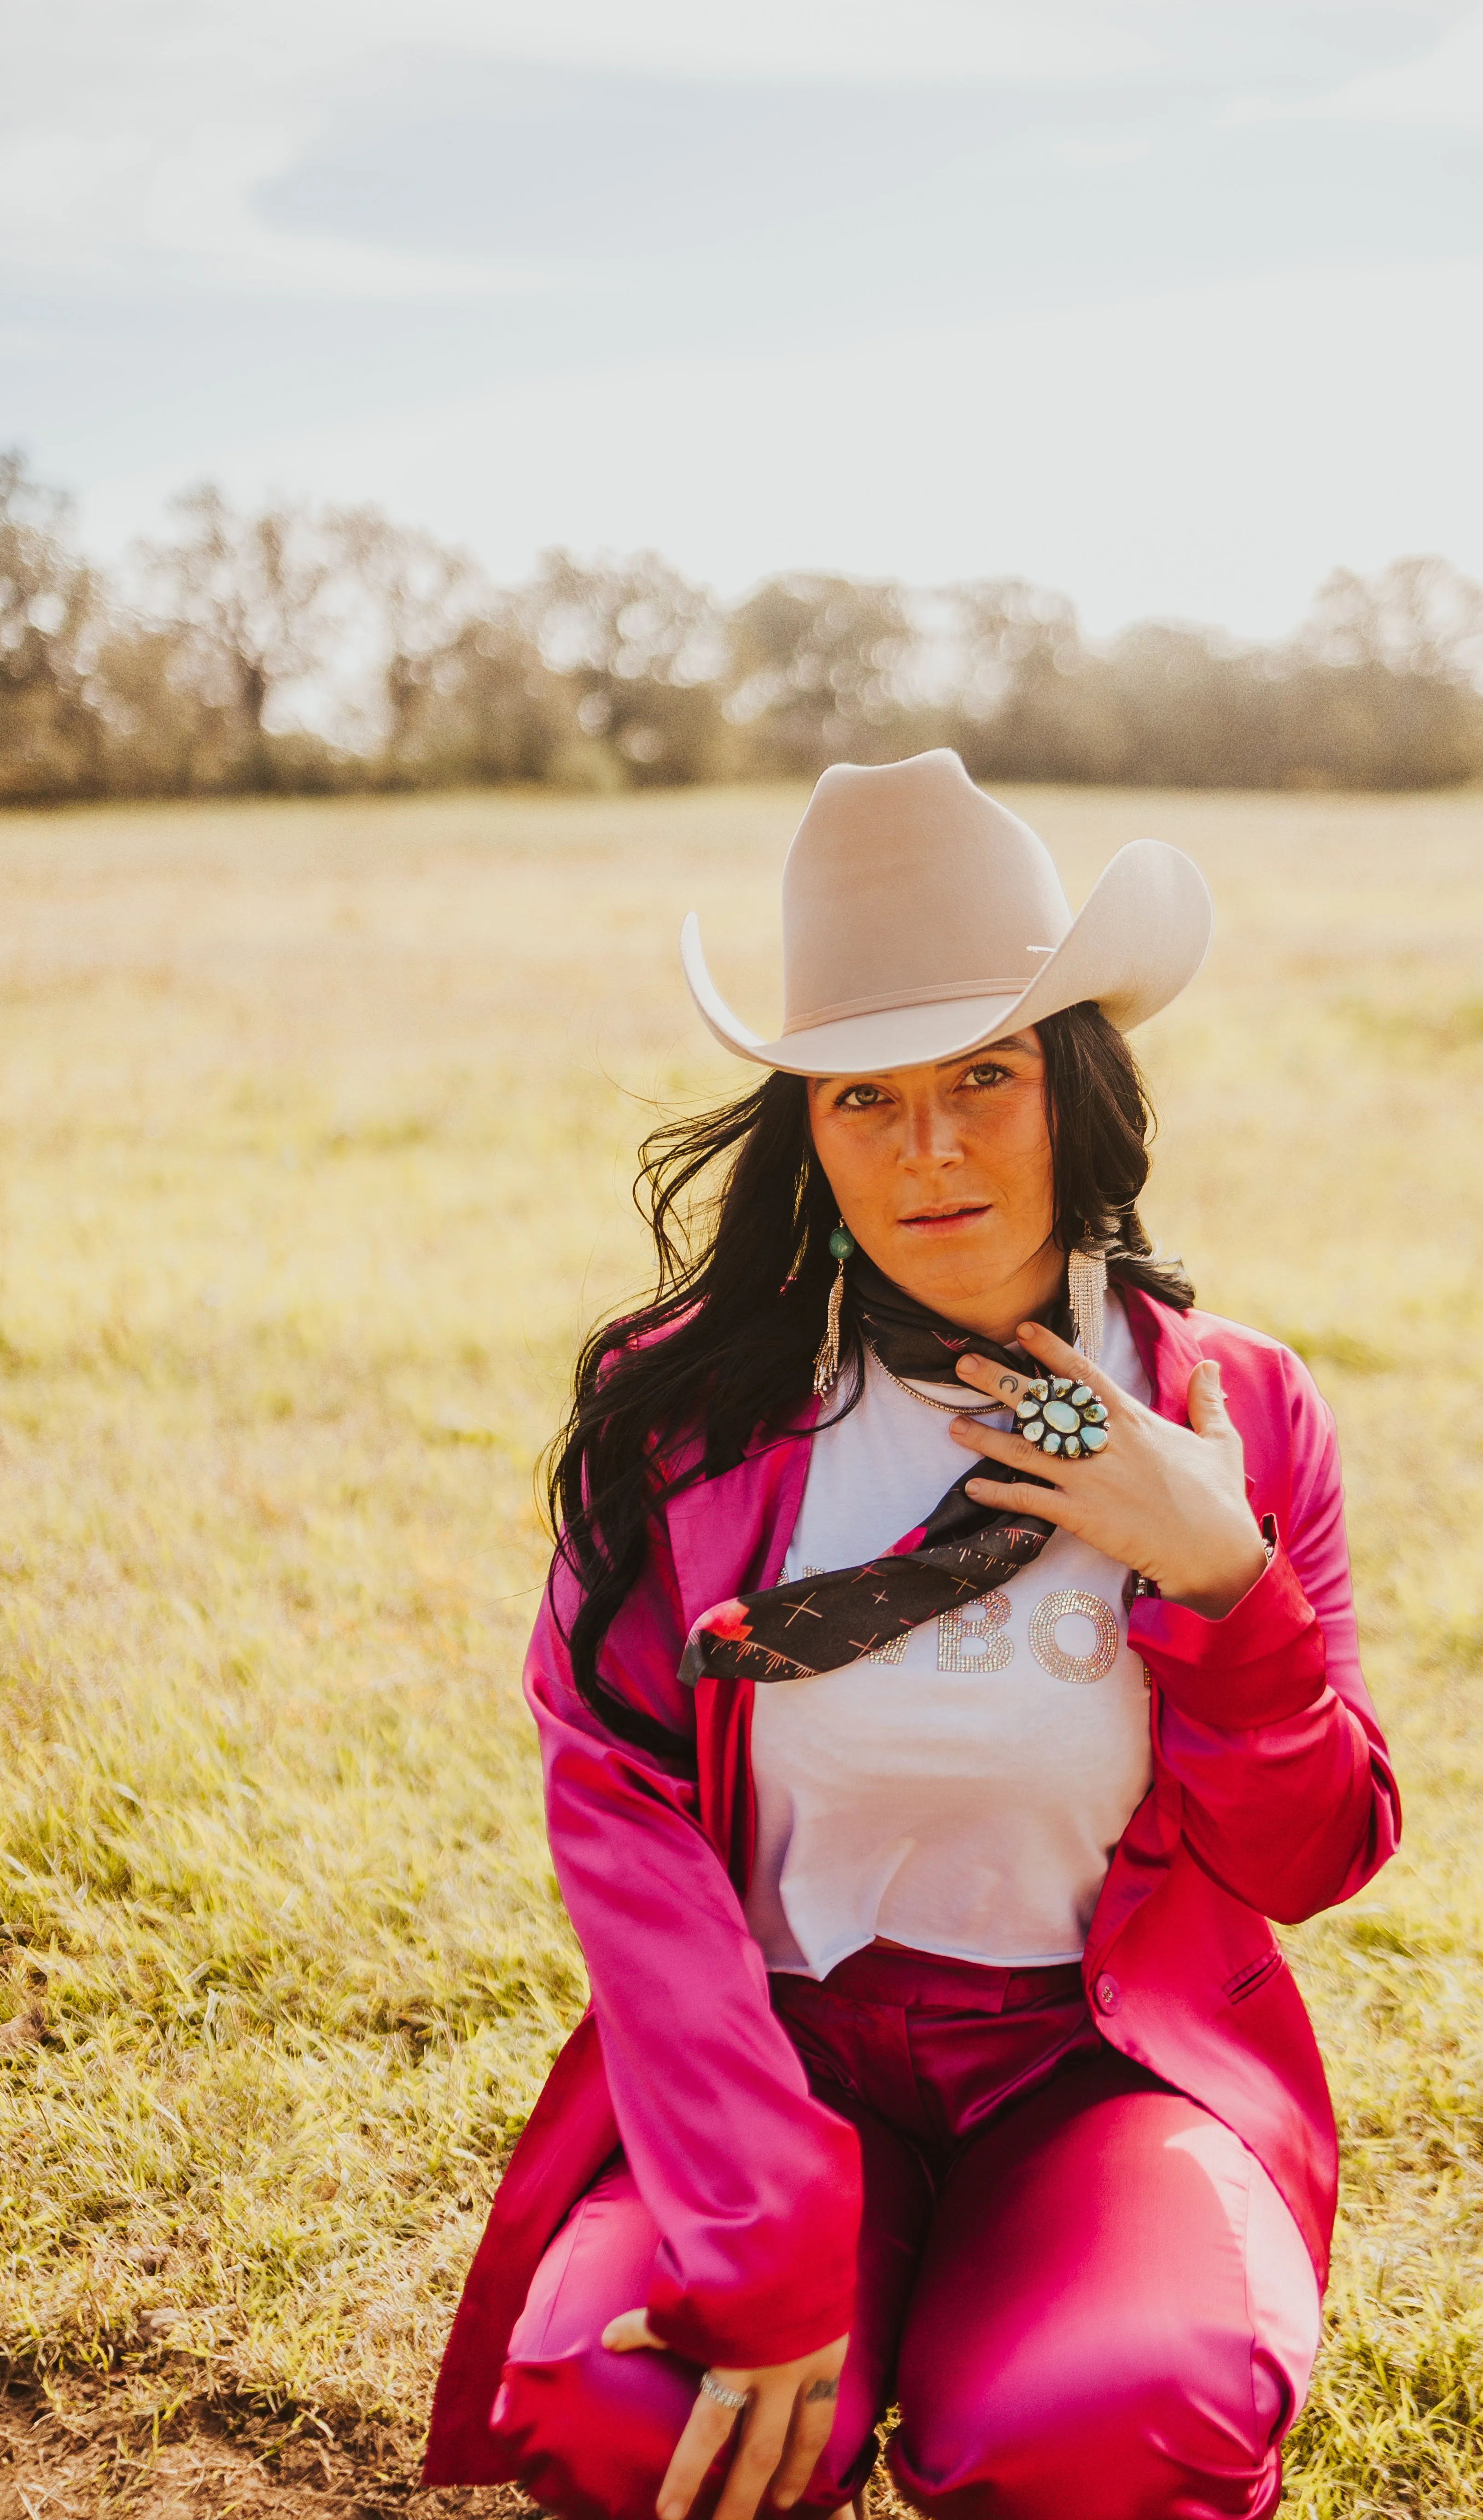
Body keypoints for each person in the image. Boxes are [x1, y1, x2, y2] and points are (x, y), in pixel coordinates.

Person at [423, 751, 1400, 2520]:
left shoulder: (1235, 1410)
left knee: (1102, 2421)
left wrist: (1222, 1579)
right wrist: (758, 2229)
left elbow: (1316, 1855)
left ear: (1077, 1086)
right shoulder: (688, 1418)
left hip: (1096, 2062)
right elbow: (620, 1812)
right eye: (864, 1096)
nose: (930, 1148)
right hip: (780, 2050)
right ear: (805, 1128)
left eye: (984, 1077)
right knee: (635, 2410)